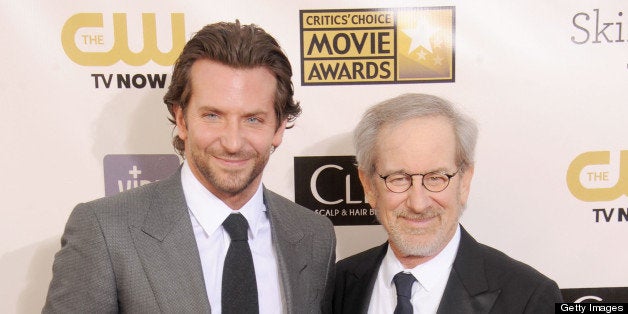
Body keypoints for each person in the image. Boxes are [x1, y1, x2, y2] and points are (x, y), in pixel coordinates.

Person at [43, 21, 336, 313]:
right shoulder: (105, 230)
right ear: (182, 120)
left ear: (279, 127)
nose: (232, 142)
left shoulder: (313, 235)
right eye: (212, 116)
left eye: (253, 119)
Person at [332, 93, 562, 314]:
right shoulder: (333, 287)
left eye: (436, 178)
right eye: (398, 179)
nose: (418, 204)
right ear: (369, 186)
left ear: (464, 182)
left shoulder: (528, 297)